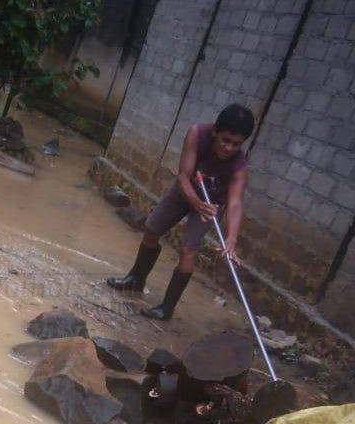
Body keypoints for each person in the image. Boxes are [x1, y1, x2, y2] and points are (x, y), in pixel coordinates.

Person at [107, 103, 255, 320]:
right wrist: (194, 201)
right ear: (215, 131)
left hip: (209, 204)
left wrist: (231, 239)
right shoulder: (198, 133)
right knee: (151, 229)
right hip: (185, 190)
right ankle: (136, 279)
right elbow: (183, 176)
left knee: (189, 250)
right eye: (225, 140)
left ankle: (166, 308)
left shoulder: (239, 167)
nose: (228, 148)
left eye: (236, 144)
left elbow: (234, 203)